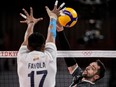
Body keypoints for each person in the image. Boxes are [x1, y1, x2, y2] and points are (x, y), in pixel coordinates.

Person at [52, 1, 106, 86]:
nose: (88, 67)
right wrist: (60, 31)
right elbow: (69, 57)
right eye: (90, 65)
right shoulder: (80, 76)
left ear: (96, 77)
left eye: (93, 68)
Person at [17, 4, 59, 87]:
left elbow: (26, 40)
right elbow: (52, 35)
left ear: (28, 46)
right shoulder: (50, 56)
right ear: (44, 46)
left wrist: (30, 24)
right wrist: (53, 17)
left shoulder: (22, 58)